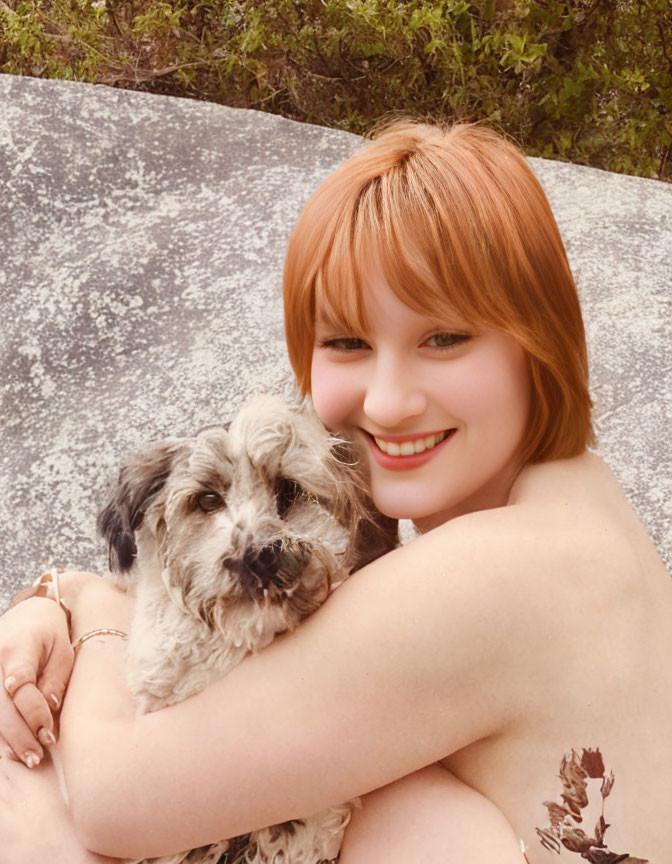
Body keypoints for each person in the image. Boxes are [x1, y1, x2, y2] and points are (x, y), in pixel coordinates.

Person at [0, 119, 670, 864]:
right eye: (347, 342)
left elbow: (113, 801)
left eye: (444, 338)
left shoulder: (500, 571)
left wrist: (84, 602)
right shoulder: (576, 501)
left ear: (538, 339)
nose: (386, 403)